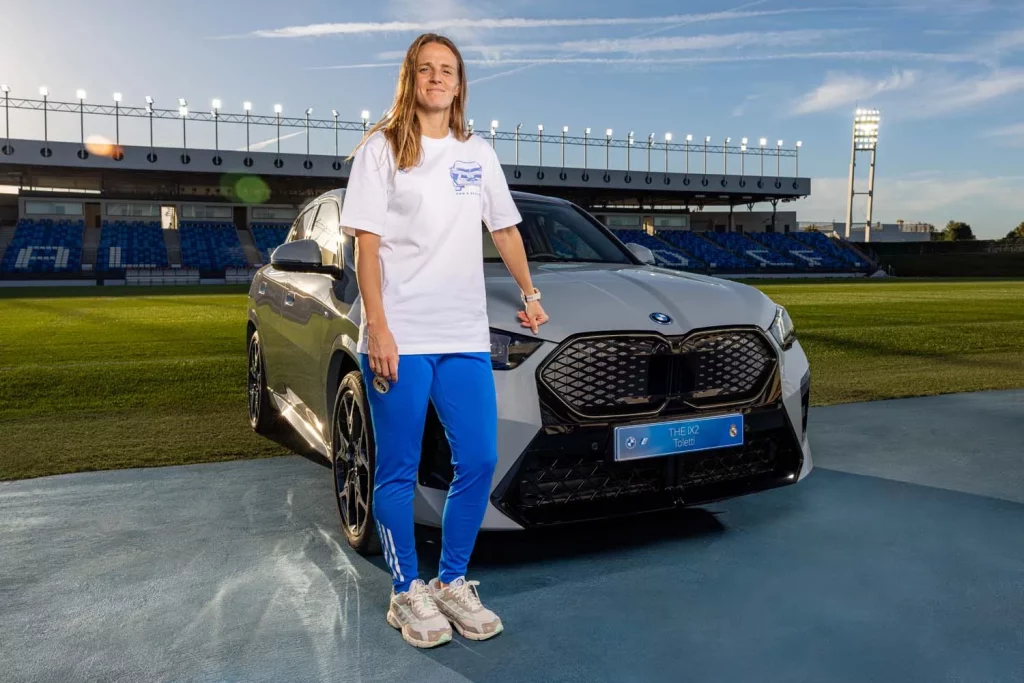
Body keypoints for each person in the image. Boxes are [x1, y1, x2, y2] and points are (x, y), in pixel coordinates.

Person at [338, 33, 549, 649]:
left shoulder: (475, 152)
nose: (437, 78)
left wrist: (529, 293)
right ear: (412, 78)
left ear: (459, 85)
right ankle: (407, 592)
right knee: (399, 466)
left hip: (462, 332)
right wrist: (377, 326)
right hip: (398, 333)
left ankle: (451, 581)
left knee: (479, 457)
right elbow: (367, 245)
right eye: (426, 69)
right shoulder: (381, 150)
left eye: (447, 70)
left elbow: (504, 227)